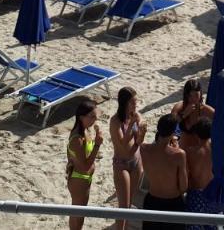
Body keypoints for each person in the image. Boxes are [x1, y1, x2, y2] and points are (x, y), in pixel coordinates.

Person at [140, 114, 187, 230]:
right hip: (173, 203)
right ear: (173, 132)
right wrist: (176, 148)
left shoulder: (144, 149)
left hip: (152, 201)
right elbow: (183, 187)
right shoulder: (179, 155)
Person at [109, 87, 146, 229]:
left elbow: (138, 141)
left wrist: (142, 132)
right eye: (132, 102)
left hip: (136, 162)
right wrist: (132, 124)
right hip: (121, 164)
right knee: (123, 207)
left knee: (129, 205)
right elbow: (123, 144)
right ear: (124, 103)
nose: (135, 105)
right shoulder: (115, 121)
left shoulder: (135, 116)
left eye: (136, 101)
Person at [66, 98, 102, 230]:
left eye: (95, 117)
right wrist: (97, 144)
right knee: (77, 215)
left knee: (80, 215)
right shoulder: (77, 139)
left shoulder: (85, 130)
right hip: (79, 179)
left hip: (83, 178)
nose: (94, 120)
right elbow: (85, 166)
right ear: (81, 117)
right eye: (92, 117)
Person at [182, 118, 218, 225]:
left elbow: (185, 173)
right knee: (211, 225)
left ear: (196, 134)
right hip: (212, 192)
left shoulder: (190, 152)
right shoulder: (216, 151)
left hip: (195, 193)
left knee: (194, 225)